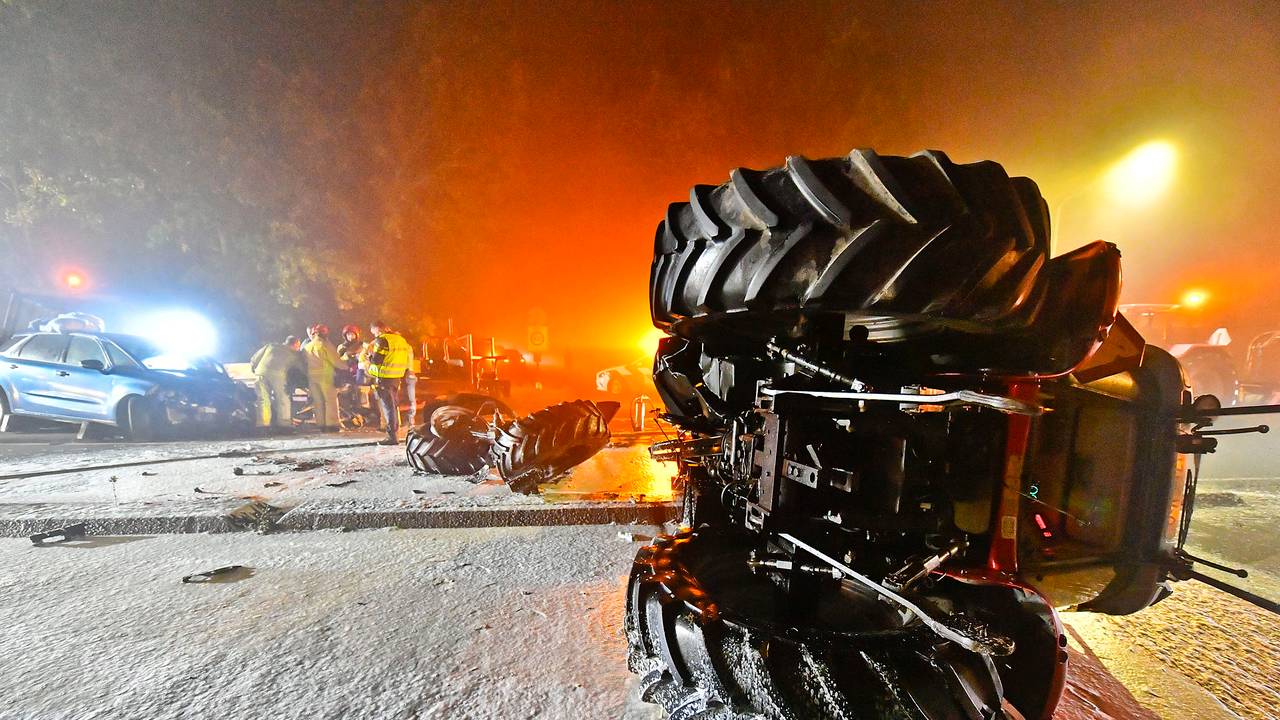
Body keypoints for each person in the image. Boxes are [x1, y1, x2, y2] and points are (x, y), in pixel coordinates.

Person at [365, 320, 411, 445]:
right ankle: (394, 434)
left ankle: (392, 437)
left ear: (378, 329)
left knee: (388, 407)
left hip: (384, 377)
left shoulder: (382, 340)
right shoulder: (400, 340)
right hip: (397, 376)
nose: (374, 335)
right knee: (393, 405)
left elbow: (377, 360)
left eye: (373, 332)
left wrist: (369, 356)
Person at [249, 335, 302, 430]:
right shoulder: (294, 354)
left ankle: (263, 425)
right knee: (283, 399)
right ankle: (284, 424)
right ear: (296, 344)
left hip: (261, 373)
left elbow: (254, 359)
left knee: (263, 400)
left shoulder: (271, 346)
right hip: (278, 375)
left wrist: (254, 368)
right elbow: (300, 368)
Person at [302, 324, 344, 432]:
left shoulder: (307, 346)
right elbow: (336, 360)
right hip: (326, 377)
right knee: (330, 401)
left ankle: (321, 424)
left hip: (312, 377)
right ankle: (332, 425)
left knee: (318, 401)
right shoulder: (324, 345)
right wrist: (347, 368)